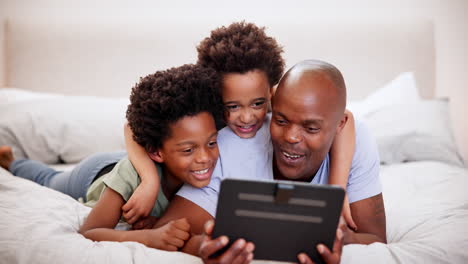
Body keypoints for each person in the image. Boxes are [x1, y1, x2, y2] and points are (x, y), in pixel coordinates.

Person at [124, 21, 358, 230]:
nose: (247, 118)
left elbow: (345, 119)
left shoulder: (274, 103)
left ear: (271, 92)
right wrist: (149, 180)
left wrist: (338, 192)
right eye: (233, 106)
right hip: (124, 170)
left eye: (257, 103)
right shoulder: (207, 111)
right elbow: (130, 126)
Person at [155, 60, 387, 263]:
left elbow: (376, 239)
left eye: (311, 128)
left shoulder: (356, 143)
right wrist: (203, 248)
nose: (291, 137)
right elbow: (164, 231)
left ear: (340, 125)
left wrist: (347, 240)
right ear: (272, 103)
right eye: (281, 120)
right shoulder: (227, 146)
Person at [0, 64, 224, 250]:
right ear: (156, 151)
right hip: (96, 173)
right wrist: (148, 238)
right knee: (49, 180)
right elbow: (89, 232)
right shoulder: (129, 178)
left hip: (135, 162)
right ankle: (13, 161)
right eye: (188, 150)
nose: (205, 157)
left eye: (211, 143)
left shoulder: (210, 170)